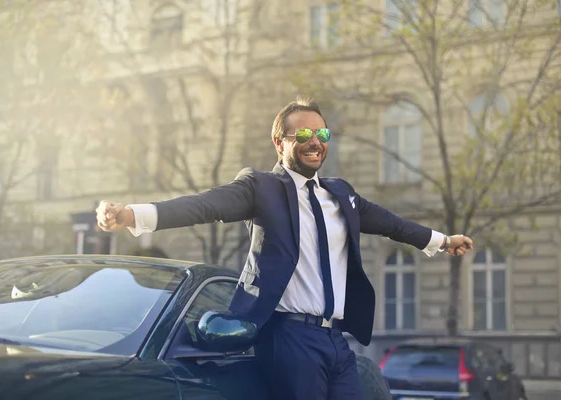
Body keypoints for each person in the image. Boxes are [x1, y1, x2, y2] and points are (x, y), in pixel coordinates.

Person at [95, 95, 473, 400]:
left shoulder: (341, 194)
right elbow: (204, 205)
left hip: (336, 340)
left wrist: (442, 242)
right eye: (304, 134)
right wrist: (132, 214)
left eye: (323, 136)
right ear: (280, 143)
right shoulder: (262, 188)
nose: (315, 143)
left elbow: (392, 224)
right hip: (290, 338)